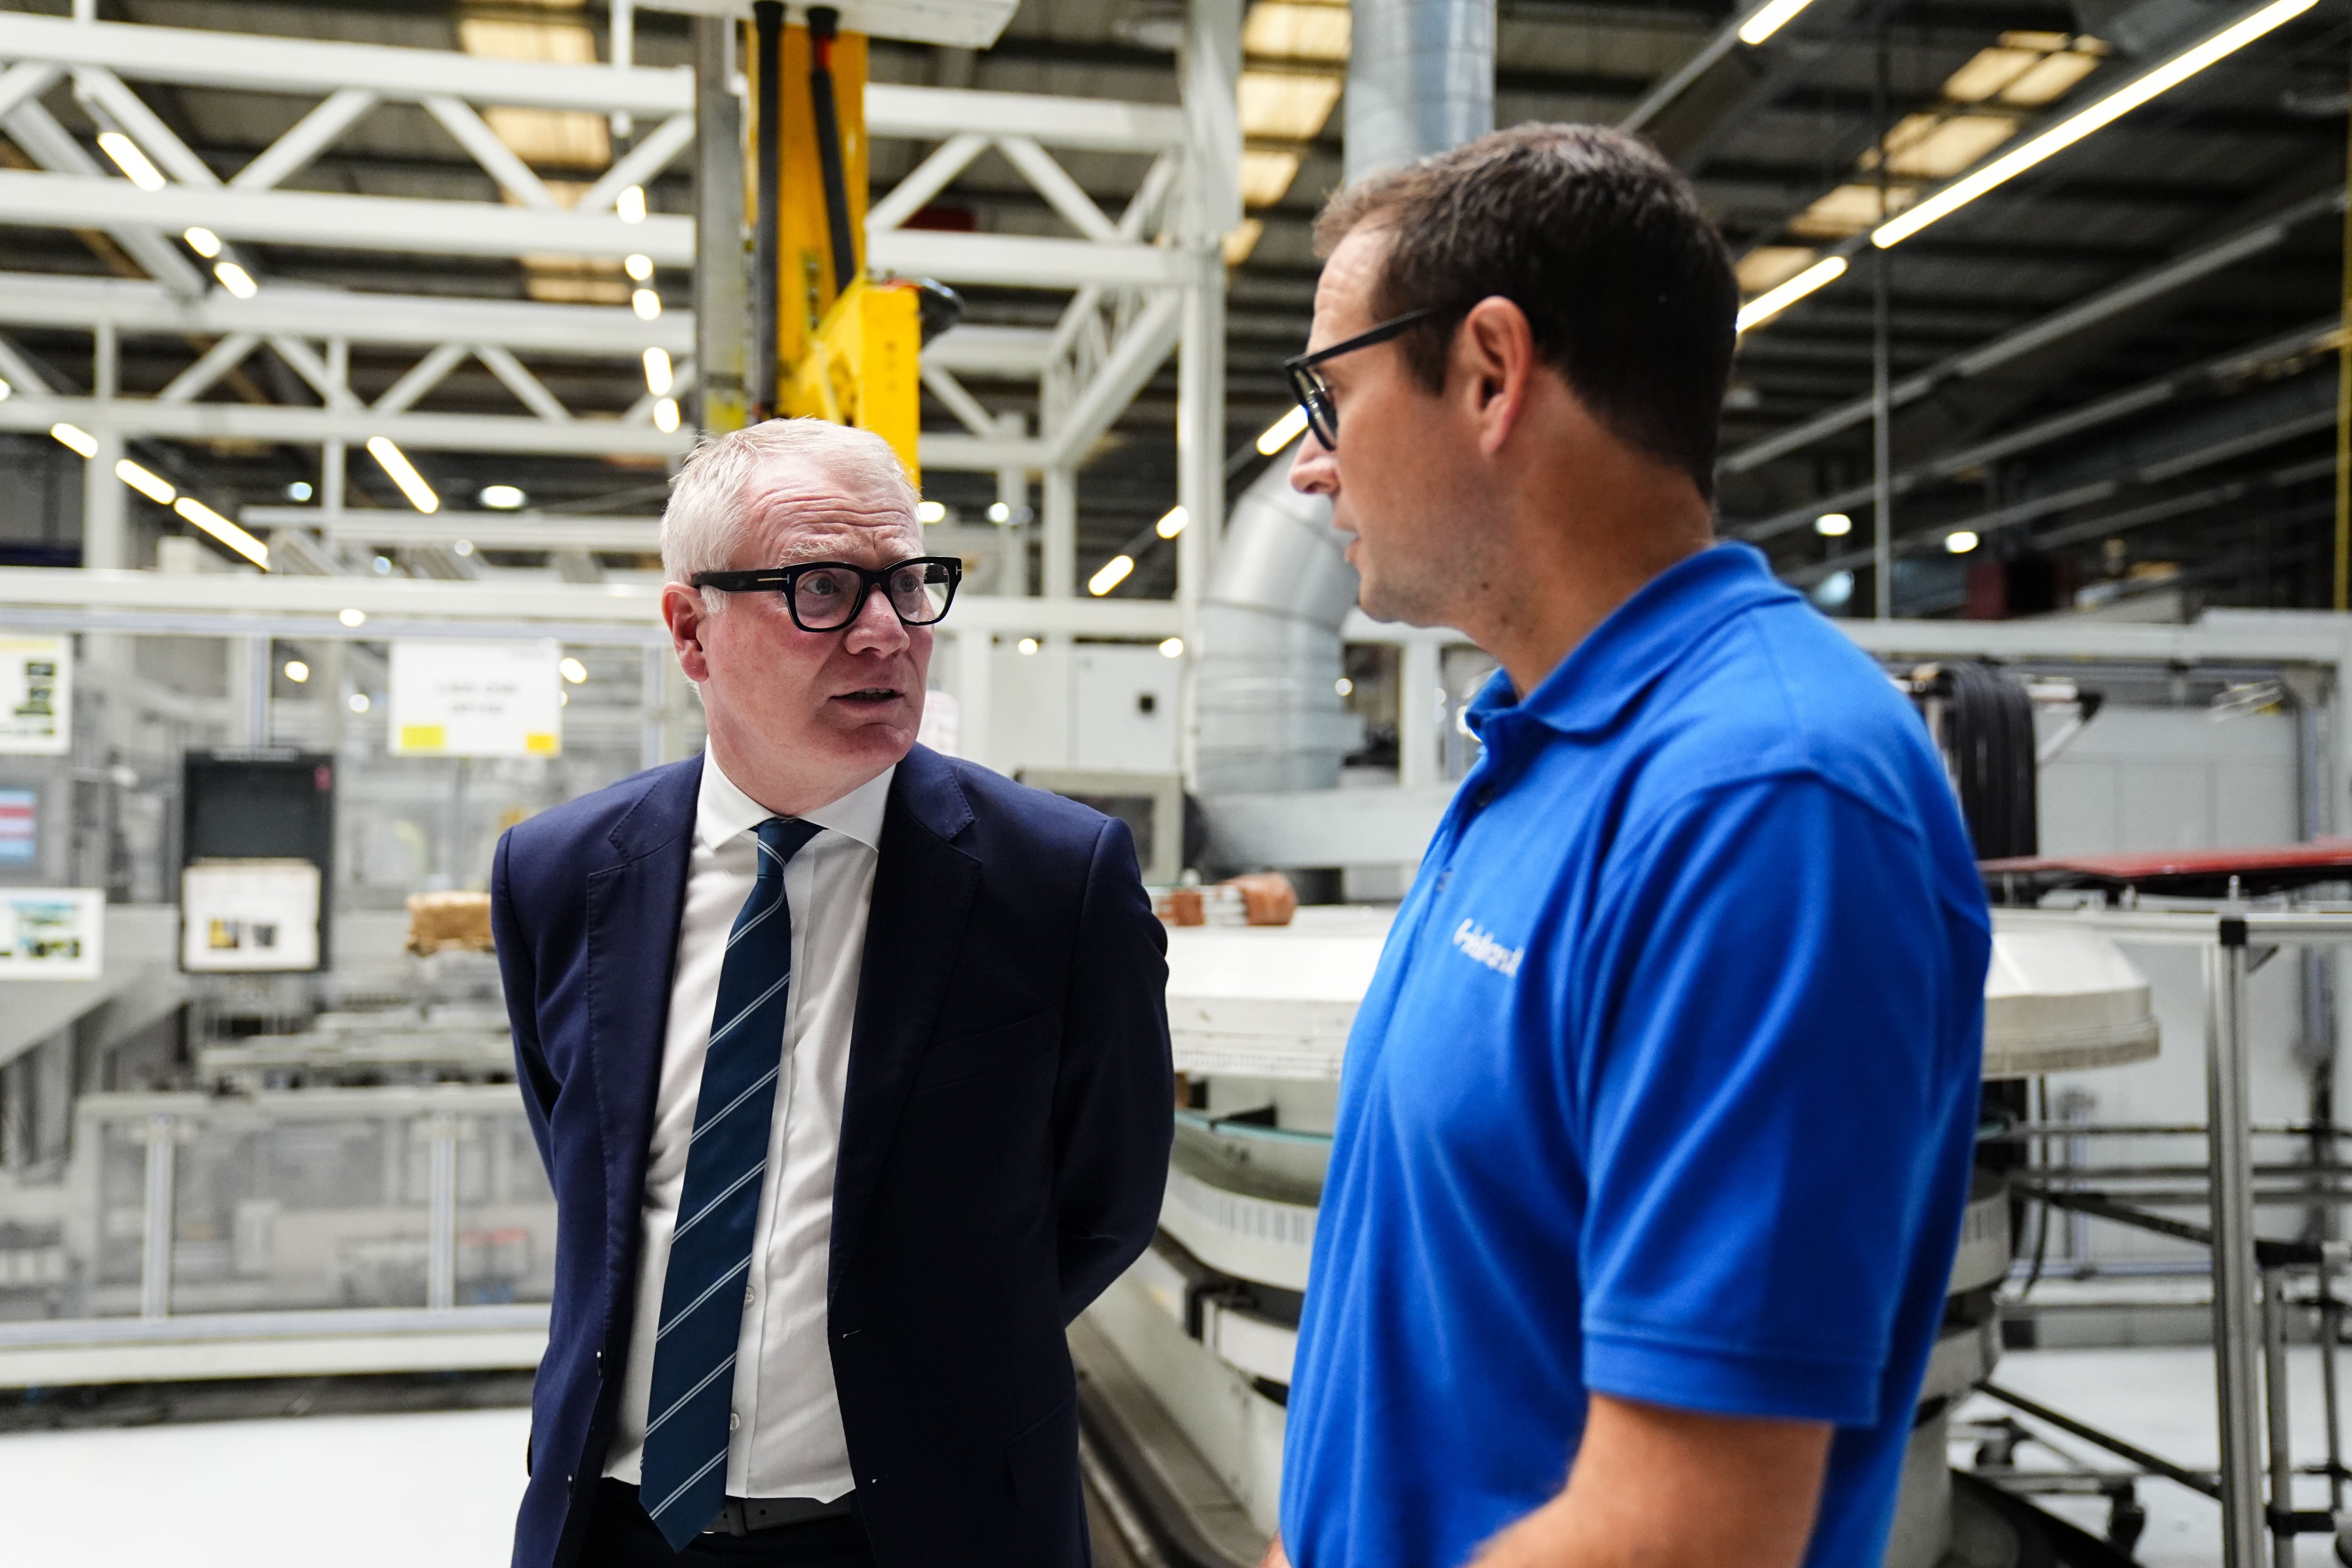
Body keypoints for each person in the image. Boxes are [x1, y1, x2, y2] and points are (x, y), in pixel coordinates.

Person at [1267, 125, 1990, 1568]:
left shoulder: (1764, 801)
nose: (1310, 468)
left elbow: (1692, 1530)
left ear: (1490, 372)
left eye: (1331, 397)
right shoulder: (1541, 753)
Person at [491, 418, 1173, 1568]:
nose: (886, 632)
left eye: (908, 584)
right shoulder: (559, 874)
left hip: (927, 1528)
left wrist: (931, 1364)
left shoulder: (1057, 882)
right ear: (692, 630)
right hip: (614, 1526)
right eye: (821, 588)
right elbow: (589, 1172)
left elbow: (1104, 1205)